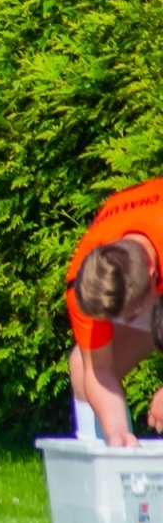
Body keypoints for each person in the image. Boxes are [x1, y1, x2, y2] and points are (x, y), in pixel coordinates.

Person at [64, 179, 163, 446]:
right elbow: (100, 370)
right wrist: (116, 431)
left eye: (129, 316)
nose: (122, 324)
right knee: (82, 366)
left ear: (153, 276)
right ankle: (103, 469)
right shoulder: (86, 283)